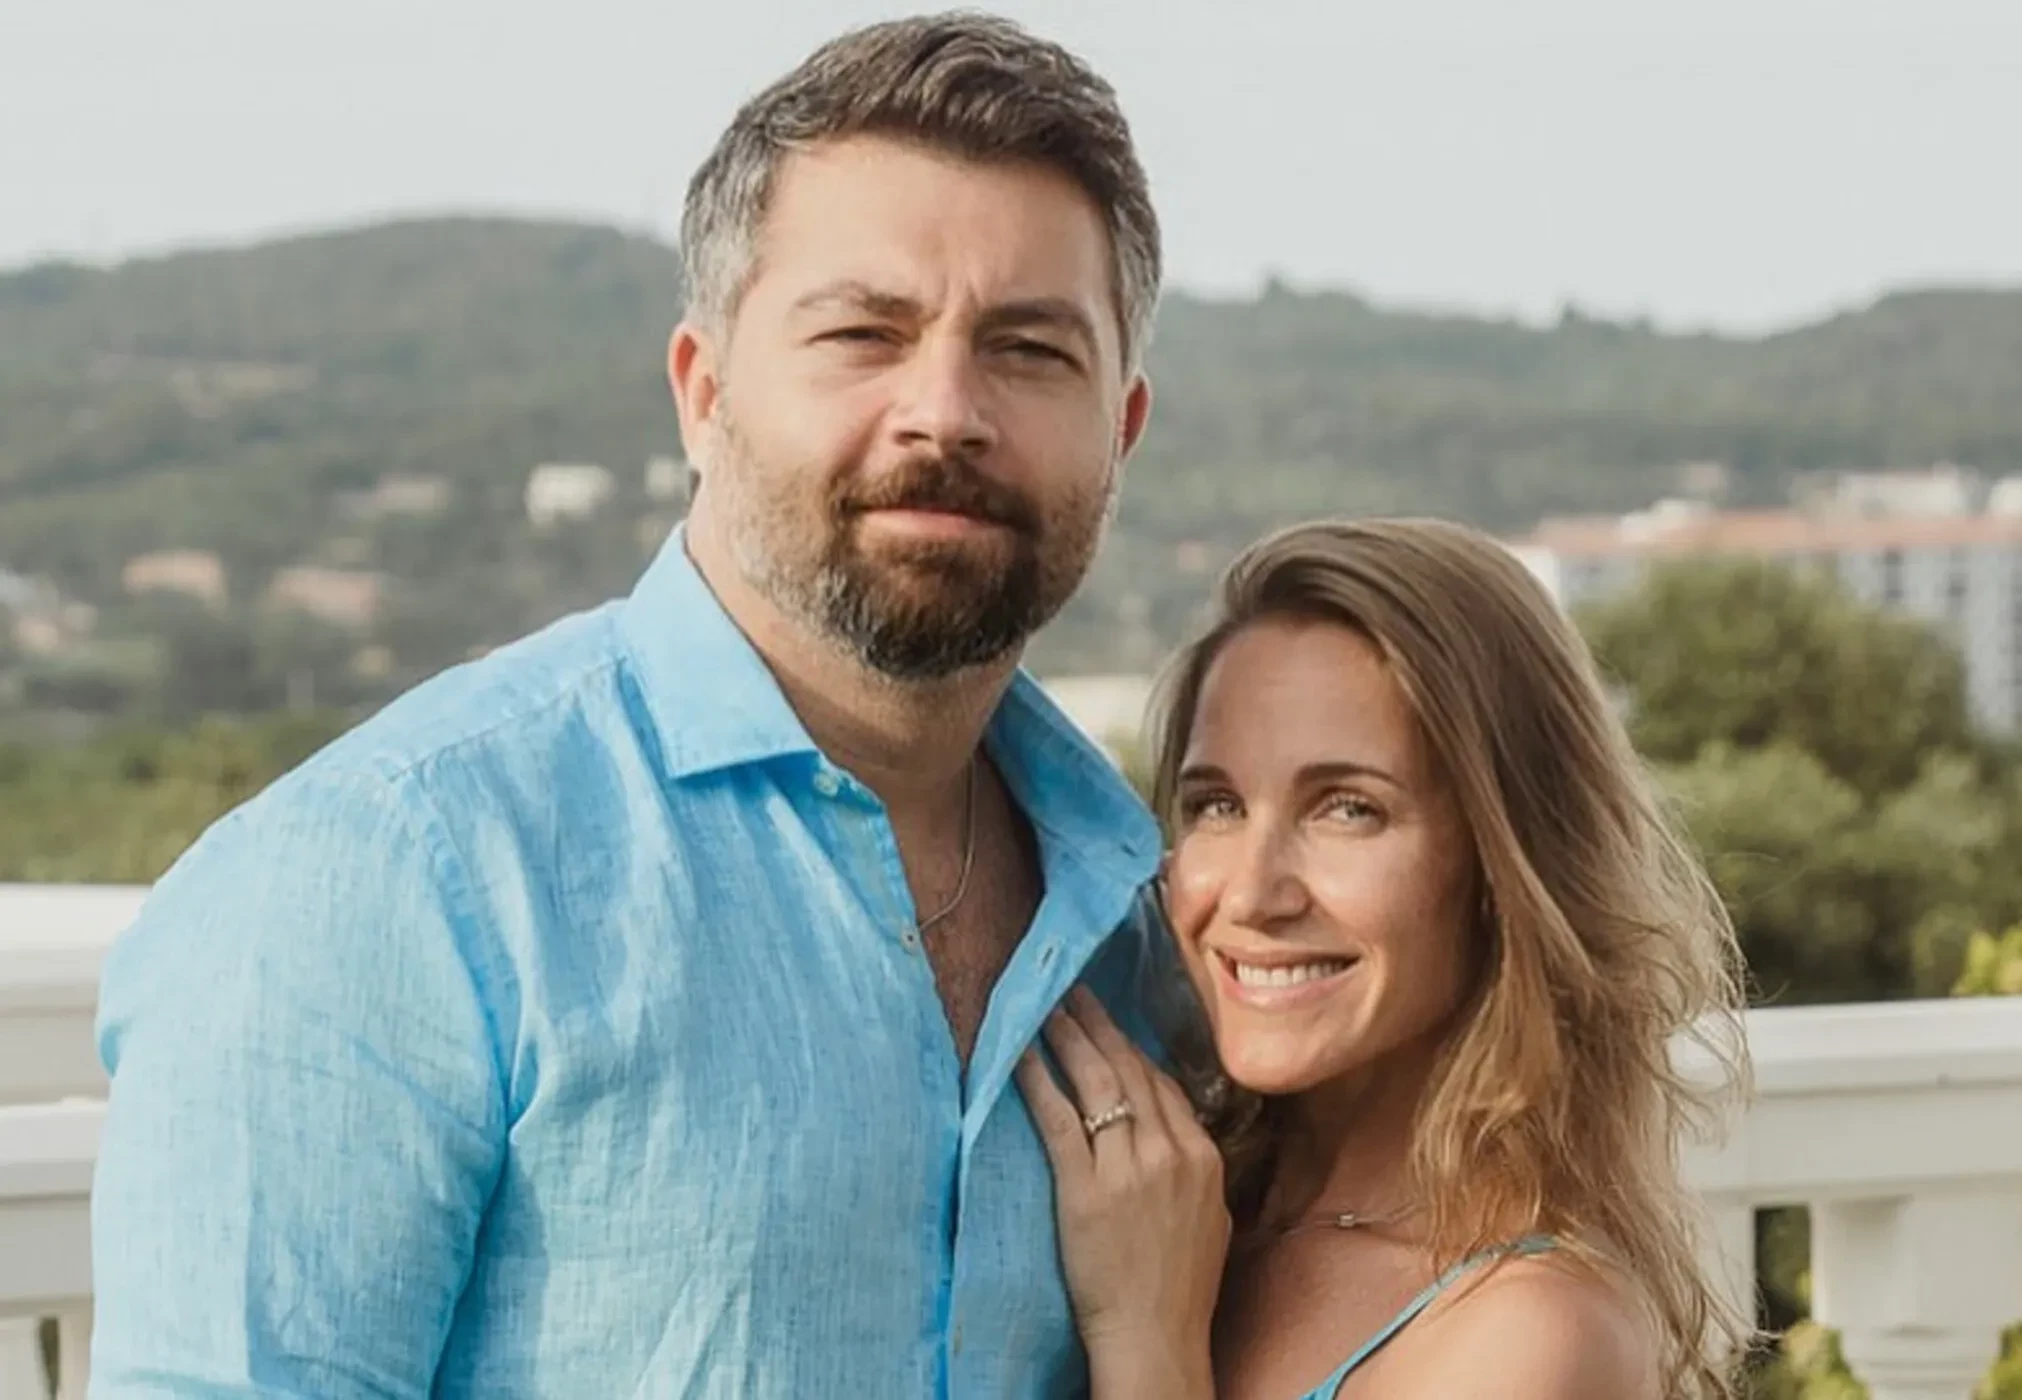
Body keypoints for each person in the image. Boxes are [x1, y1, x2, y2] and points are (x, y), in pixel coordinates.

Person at [90, 13, 1172, 1397]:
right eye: (864, 332)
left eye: (1028, 350)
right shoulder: (387, 874)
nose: (944, 410)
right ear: (704, 395)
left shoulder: (1150, 926)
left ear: (1120, 432)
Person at [1018, 518, 1753, 1398]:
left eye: (1348, 809)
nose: (1251, 894)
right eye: (1218, 805)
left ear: (1503, 865)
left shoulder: (1532, 1333)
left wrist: (1148, 1341)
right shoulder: (1187, 1200)